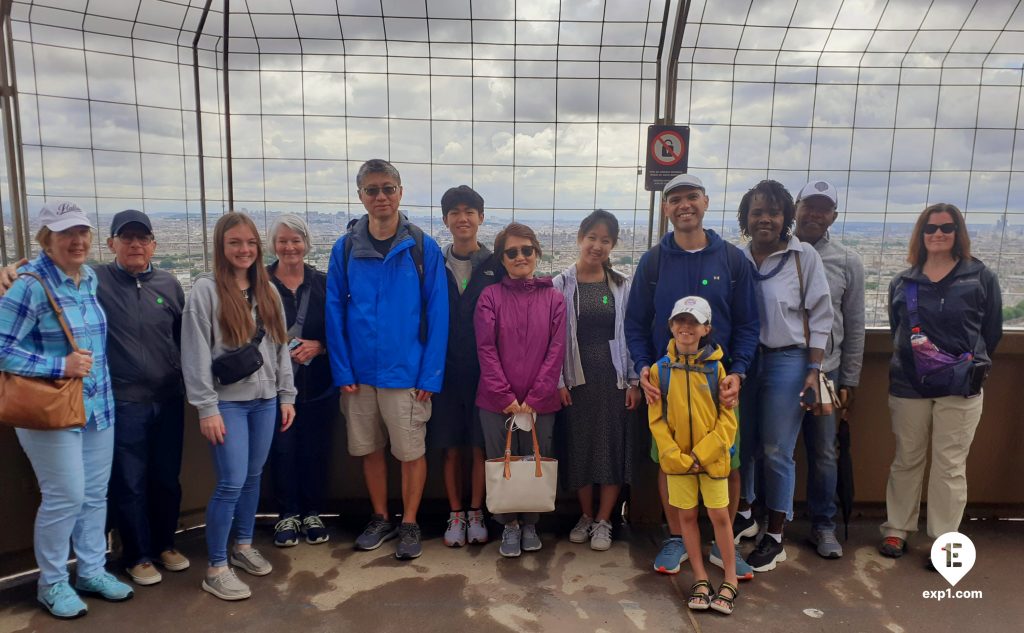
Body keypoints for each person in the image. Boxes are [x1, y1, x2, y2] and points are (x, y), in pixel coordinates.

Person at [0, 210, 193, 585]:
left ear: (153, 245)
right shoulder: (87, 279)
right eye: (126, 238)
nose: (135, 245)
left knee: (155, 482)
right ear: (111, 244)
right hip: (113, 402)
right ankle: (130, 557)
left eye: (142, 238)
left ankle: (151, 549)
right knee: (118, 486)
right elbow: (33, 290)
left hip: (148, 401)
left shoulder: (152, 282)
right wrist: (9, 273)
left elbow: (181, 337)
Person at [0, 201, 134, 618]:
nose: (77, 241)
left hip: (97, 406)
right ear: (46, 240)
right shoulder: (29, 285)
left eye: (81, 232)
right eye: (65, 234)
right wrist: (61, 366)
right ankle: (52, 582)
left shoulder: (88, 278)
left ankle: (91, 570)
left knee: (93, 495)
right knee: (65, 496)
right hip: (51, 409)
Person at [625, 173, 759, 579]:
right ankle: (676, 536)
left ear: (706, 202)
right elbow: (635, 323)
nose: (684, 205)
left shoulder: (732, 260)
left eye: (692, 197)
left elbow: (748, 323)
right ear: (666, 208)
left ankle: (723, 542)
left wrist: (738, 372)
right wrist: (643, 367)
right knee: (670, 461)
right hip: (666, 381)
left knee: (727, 462)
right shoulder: (653, 262)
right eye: (676, 199)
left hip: (720, 381)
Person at [325, 159, 449, 560]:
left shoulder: (423, 247)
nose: (381, 196)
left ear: (400, 192)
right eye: (372, 189)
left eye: (388, 188)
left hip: (406, 372)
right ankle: (380, 516)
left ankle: (409, 521)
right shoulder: (344, 248)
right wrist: (342, 368)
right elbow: (333, 311)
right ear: (360, 196)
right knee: (370, 449)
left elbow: (439, 314)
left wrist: (429, 375)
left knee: (411, 452)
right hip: (359, 374)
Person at [181, 211, 297, 601]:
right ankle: (216, 567)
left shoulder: (268, 290)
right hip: (227, 402)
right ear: (221, 246)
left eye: (249, 243)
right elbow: (195, 352)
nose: (244, 250)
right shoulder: (205, 290)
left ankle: (243, 545)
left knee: (252, 477)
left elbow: (280, 347)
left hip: (265, 400)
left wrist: (286, 395)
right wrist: (206, 407)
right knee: (231, 481)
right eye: (235, 242)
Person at [879, 203, 1002, 565]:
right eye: (930, 228)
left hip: (960, 385)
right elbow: (897, 329)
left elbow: (991, 331)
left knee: (949, 465)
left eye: (946, 228)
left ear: (958, 233)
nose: (938, 234)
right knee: (907, 458)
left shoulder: (980, 277)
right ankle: (897, 529)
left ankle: (945, 541)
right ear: (920, 234)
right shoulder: (903, 281)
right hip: (910, 383)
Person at [735, 179, 833, 572]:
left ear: (786, 218)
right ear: (745, 218)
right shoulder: (738, 259)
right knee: (741, 443)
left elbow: (821, 315)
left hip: (787, 359)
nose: (765, 220)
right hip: (745, 361)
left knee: (777, 449)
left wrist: (813, 368)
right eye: (757, 212)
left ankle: (775, 535)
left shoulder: (803, 257)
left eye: (774, 213)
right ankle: (745, 513)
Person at [475, 222, 566, 558]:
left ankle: (531, 522)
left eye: (526, 250)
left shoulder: (554, 299)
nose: (519, 257)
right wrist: (506, 397)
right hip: (497, 401)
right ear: (501, 259)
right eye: (511, 252)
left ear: (536, 253)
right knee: (503, 461)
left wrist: (535, 397)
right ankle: (509, 524)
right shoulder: (490, 297)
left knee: (535, 460)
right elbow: (486, 348)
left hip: (540, 401)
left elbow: (556, 351)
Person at [554, 210, 641, 551]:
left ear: (613, 245)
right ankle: (586, 514)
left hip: (612, 378)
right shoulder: (561, 284)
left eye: (605, 240)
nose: (597, 245)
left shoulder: (619, 285)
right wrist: (560, 381)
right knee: (580, 445)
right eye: (592, 237)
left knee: (611, 446)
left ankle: (604, 519)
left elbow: (629, 333)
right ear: (579, 238)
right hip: (576, 378)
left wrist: (633, 381)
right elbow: (553, 338)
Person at [649, 296, 739, 615]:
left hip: (711, 462)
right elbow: (656, 420)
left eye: (693, 322)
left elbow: (728, 420)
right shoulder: (660, 371)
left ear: (706, 329)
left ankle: (730, 578)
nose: (685, 327)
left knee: (719, 516)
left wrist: (702, 454)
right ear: (671, 325)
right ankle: (700, 578)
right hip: (679, 464)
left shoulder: (717, 368)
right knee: (685, 517)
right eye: (680, 321)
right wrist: (674, 455)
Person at [793, 181, 865, 559]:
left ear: (834, 216)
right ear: (796, 208)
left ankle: (823, 524)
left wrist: (849, 379)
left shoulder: (848, 261)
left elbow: (855, 325)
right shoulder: (776, 252)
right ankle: (768, 520)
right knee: (771, 450)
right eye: (809, 206)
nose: (815, 214)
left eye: (824, 209)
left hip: (826, 372)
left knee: (823, 451)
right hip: (780, 367)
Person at [429, 185, 504, 547]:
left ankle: (476, 510)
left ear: (481, 218)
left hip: (484, 372)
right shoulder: (433, 265)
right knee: (449, 446)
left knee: (478, 446)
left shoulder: (496, 266)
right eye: (455, 212)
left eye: (469, 212)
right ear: (445, 220)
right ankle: (455, 512)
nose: (463, 218)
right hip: (443, 371)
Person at [266, 214, 334, 548]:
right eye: (283, 241)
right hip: (275, 387)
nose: (290, 247)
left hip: (318, 383)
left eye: (296, 240)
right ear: (273, 245)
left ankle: (312, 512)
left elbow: (340, 328)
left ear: (306, 243)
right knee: (282, 451)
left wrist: (321, 346)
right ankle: (287, 513)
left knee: (315, 450)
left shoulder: (324, 283)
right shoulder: (260, 284)